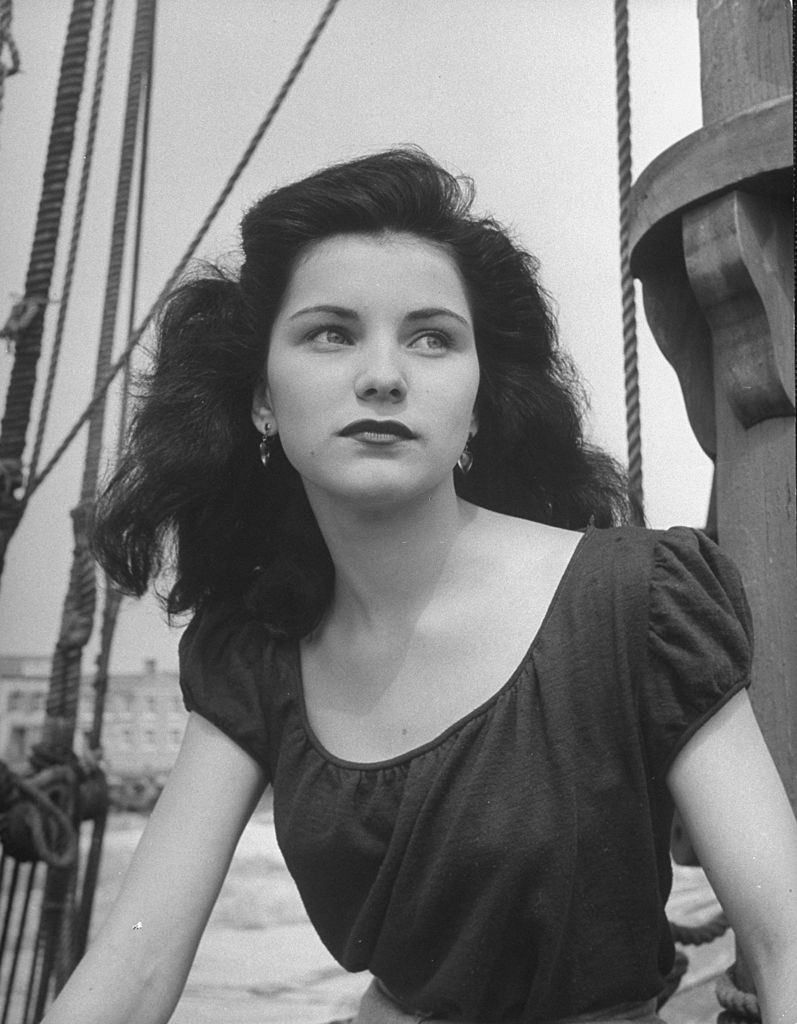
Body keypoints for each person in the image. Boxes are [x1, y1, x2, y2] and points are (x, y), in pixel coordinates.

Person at [43, 149, 797, 1024]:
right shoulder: (254, 654)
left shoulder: (636, 603)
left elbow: (784, 939)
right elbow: (135, 966)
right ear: (258, 399)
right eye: (330, 332)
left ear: (478, 401)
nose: (383, 375)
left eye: (431, 337)